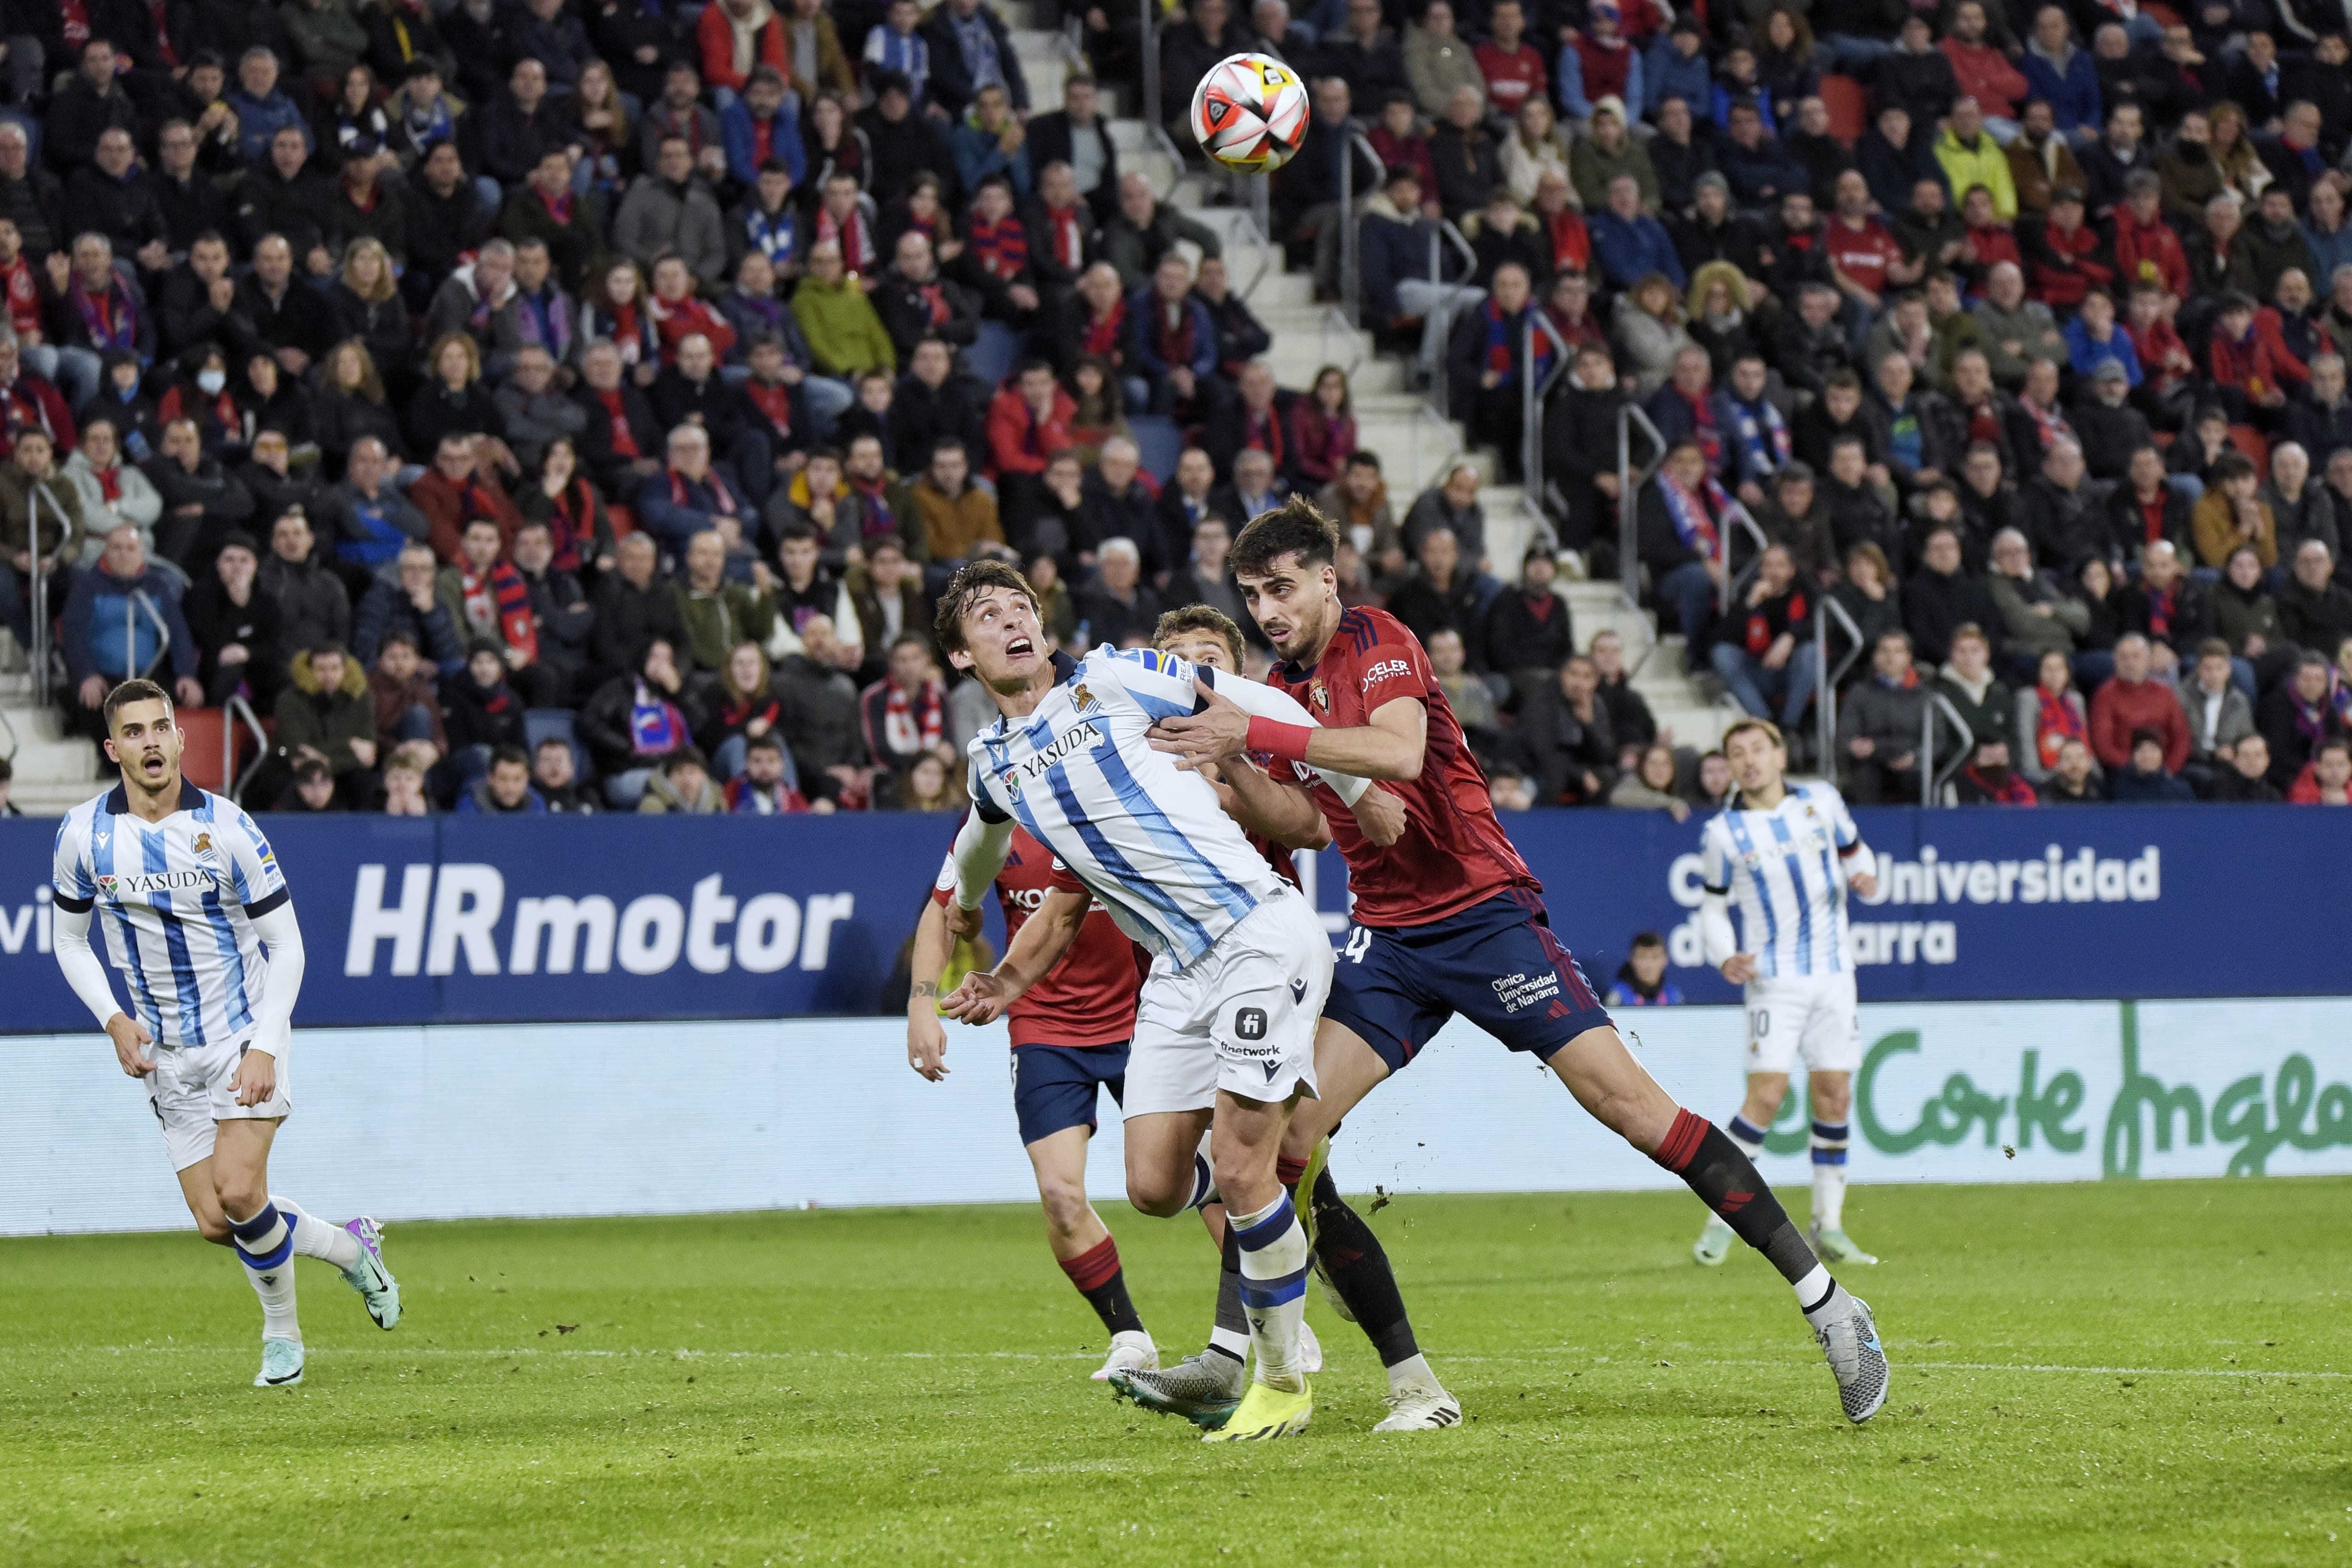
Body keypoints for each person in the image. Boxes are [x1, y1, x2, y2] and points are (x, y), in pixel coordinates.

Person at [1150, 503, 1890, 1427]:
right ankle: (1375, 1376)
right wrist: (1231, 765)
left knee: (1635, 1110)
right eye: (1253, 594)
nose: (1267, 610)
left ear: (1327, 580)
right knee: (1283, 1142)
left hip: (1485, 917)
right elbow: (1306, 823)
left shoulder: (1380, 641)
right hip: (1389, 939)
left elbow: (1400, 750)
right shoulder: (1281, 687)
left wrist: (1259, 736)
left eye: (1282, 588)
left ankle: (1830, 1303)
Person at [931, 559, 1395, 1442]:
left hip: (1256, 932)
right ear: (961, 654)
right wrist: (964, 908)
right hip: (1180, 971)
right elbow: (981, 843)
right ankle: (1283, 1228)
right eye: (988, 615)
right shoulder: (992, 760)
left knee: (1245, 1169)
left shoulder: (1114, 676)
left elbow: (1261, 704)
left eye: (1022, 605)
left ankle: (1281, 1379)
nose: (1014, 620)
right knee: (1153, 1186)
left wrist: (1359, 786)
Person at [50, 678, 400, 1390]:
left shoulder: (229, 828)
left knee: (240, 1191)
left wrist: (266, 1044)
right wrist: (113, 1018)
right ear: (113, 749)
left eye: (161, 727)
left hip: (241, 1034)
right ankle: (350, 1248)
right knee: (218, 1220)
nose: (151, 742)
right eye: (135, 732)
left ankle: (282, 1337)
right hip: (165, 1054)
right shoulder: (84, 835)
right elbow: (68, 940)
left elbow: (289, 946)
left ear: (180, 738)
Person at [1691, 718, 1880, 1265]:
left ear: (1779, 755)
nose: (1748, 760)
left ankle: (1830, 1225)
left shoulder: (1821, 801)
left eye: (1757, 749)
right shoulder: (1723, 833)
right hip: (1773, 981)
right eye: (1736, 753)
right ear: (1729, 766)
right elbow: (1710, 907)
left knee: (1835, 1093)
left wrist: (1866, 877)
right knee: (1766, 1097)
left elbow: (1857, 854)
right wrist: (1724, 953)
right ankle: (1719, 1222)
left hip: (1834, 975)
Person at [1712, 544, 1820, 737]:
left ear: (1791, 570)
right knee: (1722, 654)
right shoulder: (1749, 592)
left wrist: (1790, 637)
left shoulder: (1805, 592)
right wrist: (1749, 604)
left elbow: (1821, 625)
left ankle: (1789, 726)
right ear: (1760, 570)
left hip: (1793, 674)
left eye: (1780, 566)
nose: (1773, 572)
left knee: (1811, 651)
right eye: (1768, 565)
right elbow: (1721, 637)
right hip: (1759, 671)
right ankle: (1765, 723)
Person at [1604, 930, 1685, 1010]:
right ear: (1631, 960)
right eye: (1642, 957)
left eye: (1655, 957)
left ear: (1665, 960)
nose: (1648, 965)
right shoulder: (1618, 995)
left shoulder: (1674, 995)